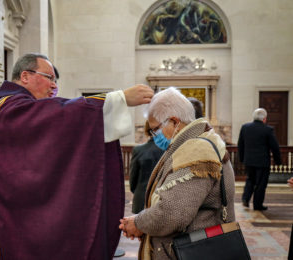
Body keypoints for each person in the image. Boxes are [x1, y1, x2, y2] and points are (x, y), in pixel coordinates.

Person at [0, 53, 154, 260]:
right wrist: (118, 99)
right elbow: (58, 114)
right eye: (49, 77)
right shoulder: (9, 108)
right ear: (25, 76)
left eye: (55, 81)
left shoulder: (19, 106)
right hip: (9, 218)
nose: (54, 86)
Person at [118, 87, 236, 259]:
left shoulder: (196, 150)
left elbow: (172, 214)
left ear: (174, 121)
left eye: (155, 129)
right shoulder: (195, 143)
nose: (154, 135)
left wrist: (138, 223)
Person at [238, 108, 281, 211]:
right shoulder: (268, 129)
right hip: (262, 162)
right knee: (261, 184)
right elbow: (274, 147)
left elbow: (240, 144)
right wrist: (278, 161)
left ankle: (245, 199)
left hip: (249, 161)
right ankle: (257, 205)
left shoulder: (245, 127)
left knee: (250, 180)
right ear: (264, 119)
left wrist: (242, 158)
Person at [129, 121, 164, 214]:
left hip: (141, 199)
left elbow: (133, 180)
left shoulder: (138, 150)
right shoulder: (168, 149)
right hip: (162, 199)